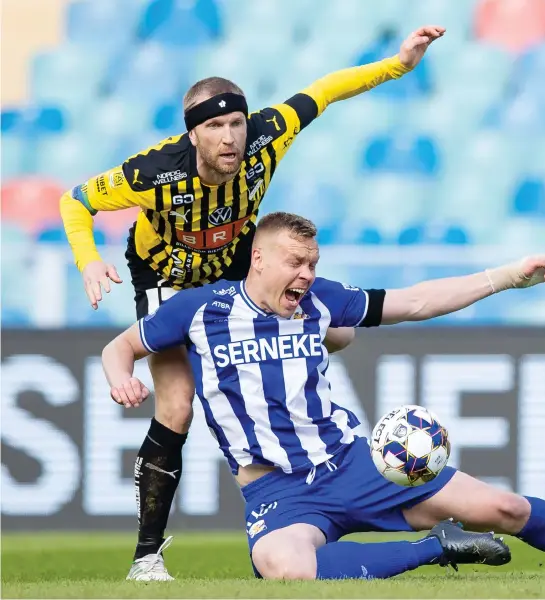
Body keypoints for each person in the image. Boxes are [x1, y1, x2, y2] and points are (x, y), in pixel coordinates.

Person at [101, 212, 545, 581]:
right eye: (295, 262)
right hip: (276, 490)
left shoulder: (320, 302)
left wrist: (506, 276)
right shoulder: (200, 310)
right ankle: (434, 549)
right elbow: (119, 347)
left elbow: (415, 302)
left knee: (505, 509)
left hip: (355, 463)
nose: (307, 274)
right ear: (257, 259)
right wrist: (121, 375)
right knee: (284, 566)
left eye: (313, 262)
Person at [59, 25, 446, 580]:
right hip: (167, 278)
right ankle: (147, 557)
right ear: (192, 134)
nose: (230, 137)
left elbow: (328, 89)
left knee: (342, 333)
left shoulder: (269, 134)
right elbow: (76, 202)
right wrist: (88, 261)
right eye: (214, 126)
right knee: (176, 406)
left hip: (237, 267)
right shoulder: (154, 172)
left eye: (236, 123)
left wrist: (400, 65)